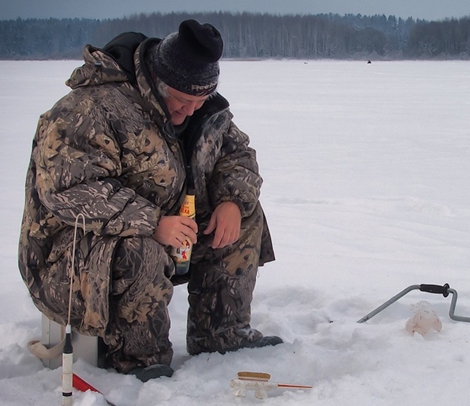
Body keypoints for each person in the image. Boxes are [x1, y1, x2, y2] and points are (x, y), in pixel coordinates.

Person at [19, 19, 280, 381]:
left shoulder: (200, 110)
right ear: (157, 80)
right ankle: (139, 358)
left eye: (199, 102)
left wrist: (232, 201)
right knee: (140, 247)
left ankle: (221, 333)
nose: (190, 112)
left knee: (243, 216)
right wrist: (153, 223)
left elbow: (238, 155)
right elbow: (70, 190)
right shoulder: (90, 108)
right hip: (69, 263)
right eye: (181, 101)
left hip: (170, 240)